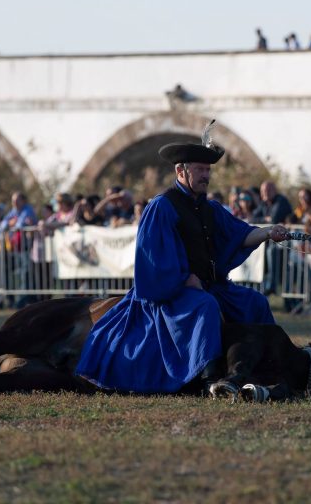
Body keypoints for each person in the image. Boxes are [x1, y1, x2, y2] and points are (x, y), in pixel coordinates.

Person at [75, 128, 289, 393]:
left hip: (210, 285)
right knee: (205, 307)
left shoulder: (210, 208)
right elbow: (153, 259)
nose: (206, 176)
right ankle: (208, 379)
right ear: (181, 171)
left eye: (208, 171)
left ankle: (276, 362)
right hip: (173, 292)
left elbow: (240, 234)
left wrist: (268, 232)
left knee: (256, 301)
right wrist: (184, 278)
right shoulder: (162, 206)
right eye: (200, 169)